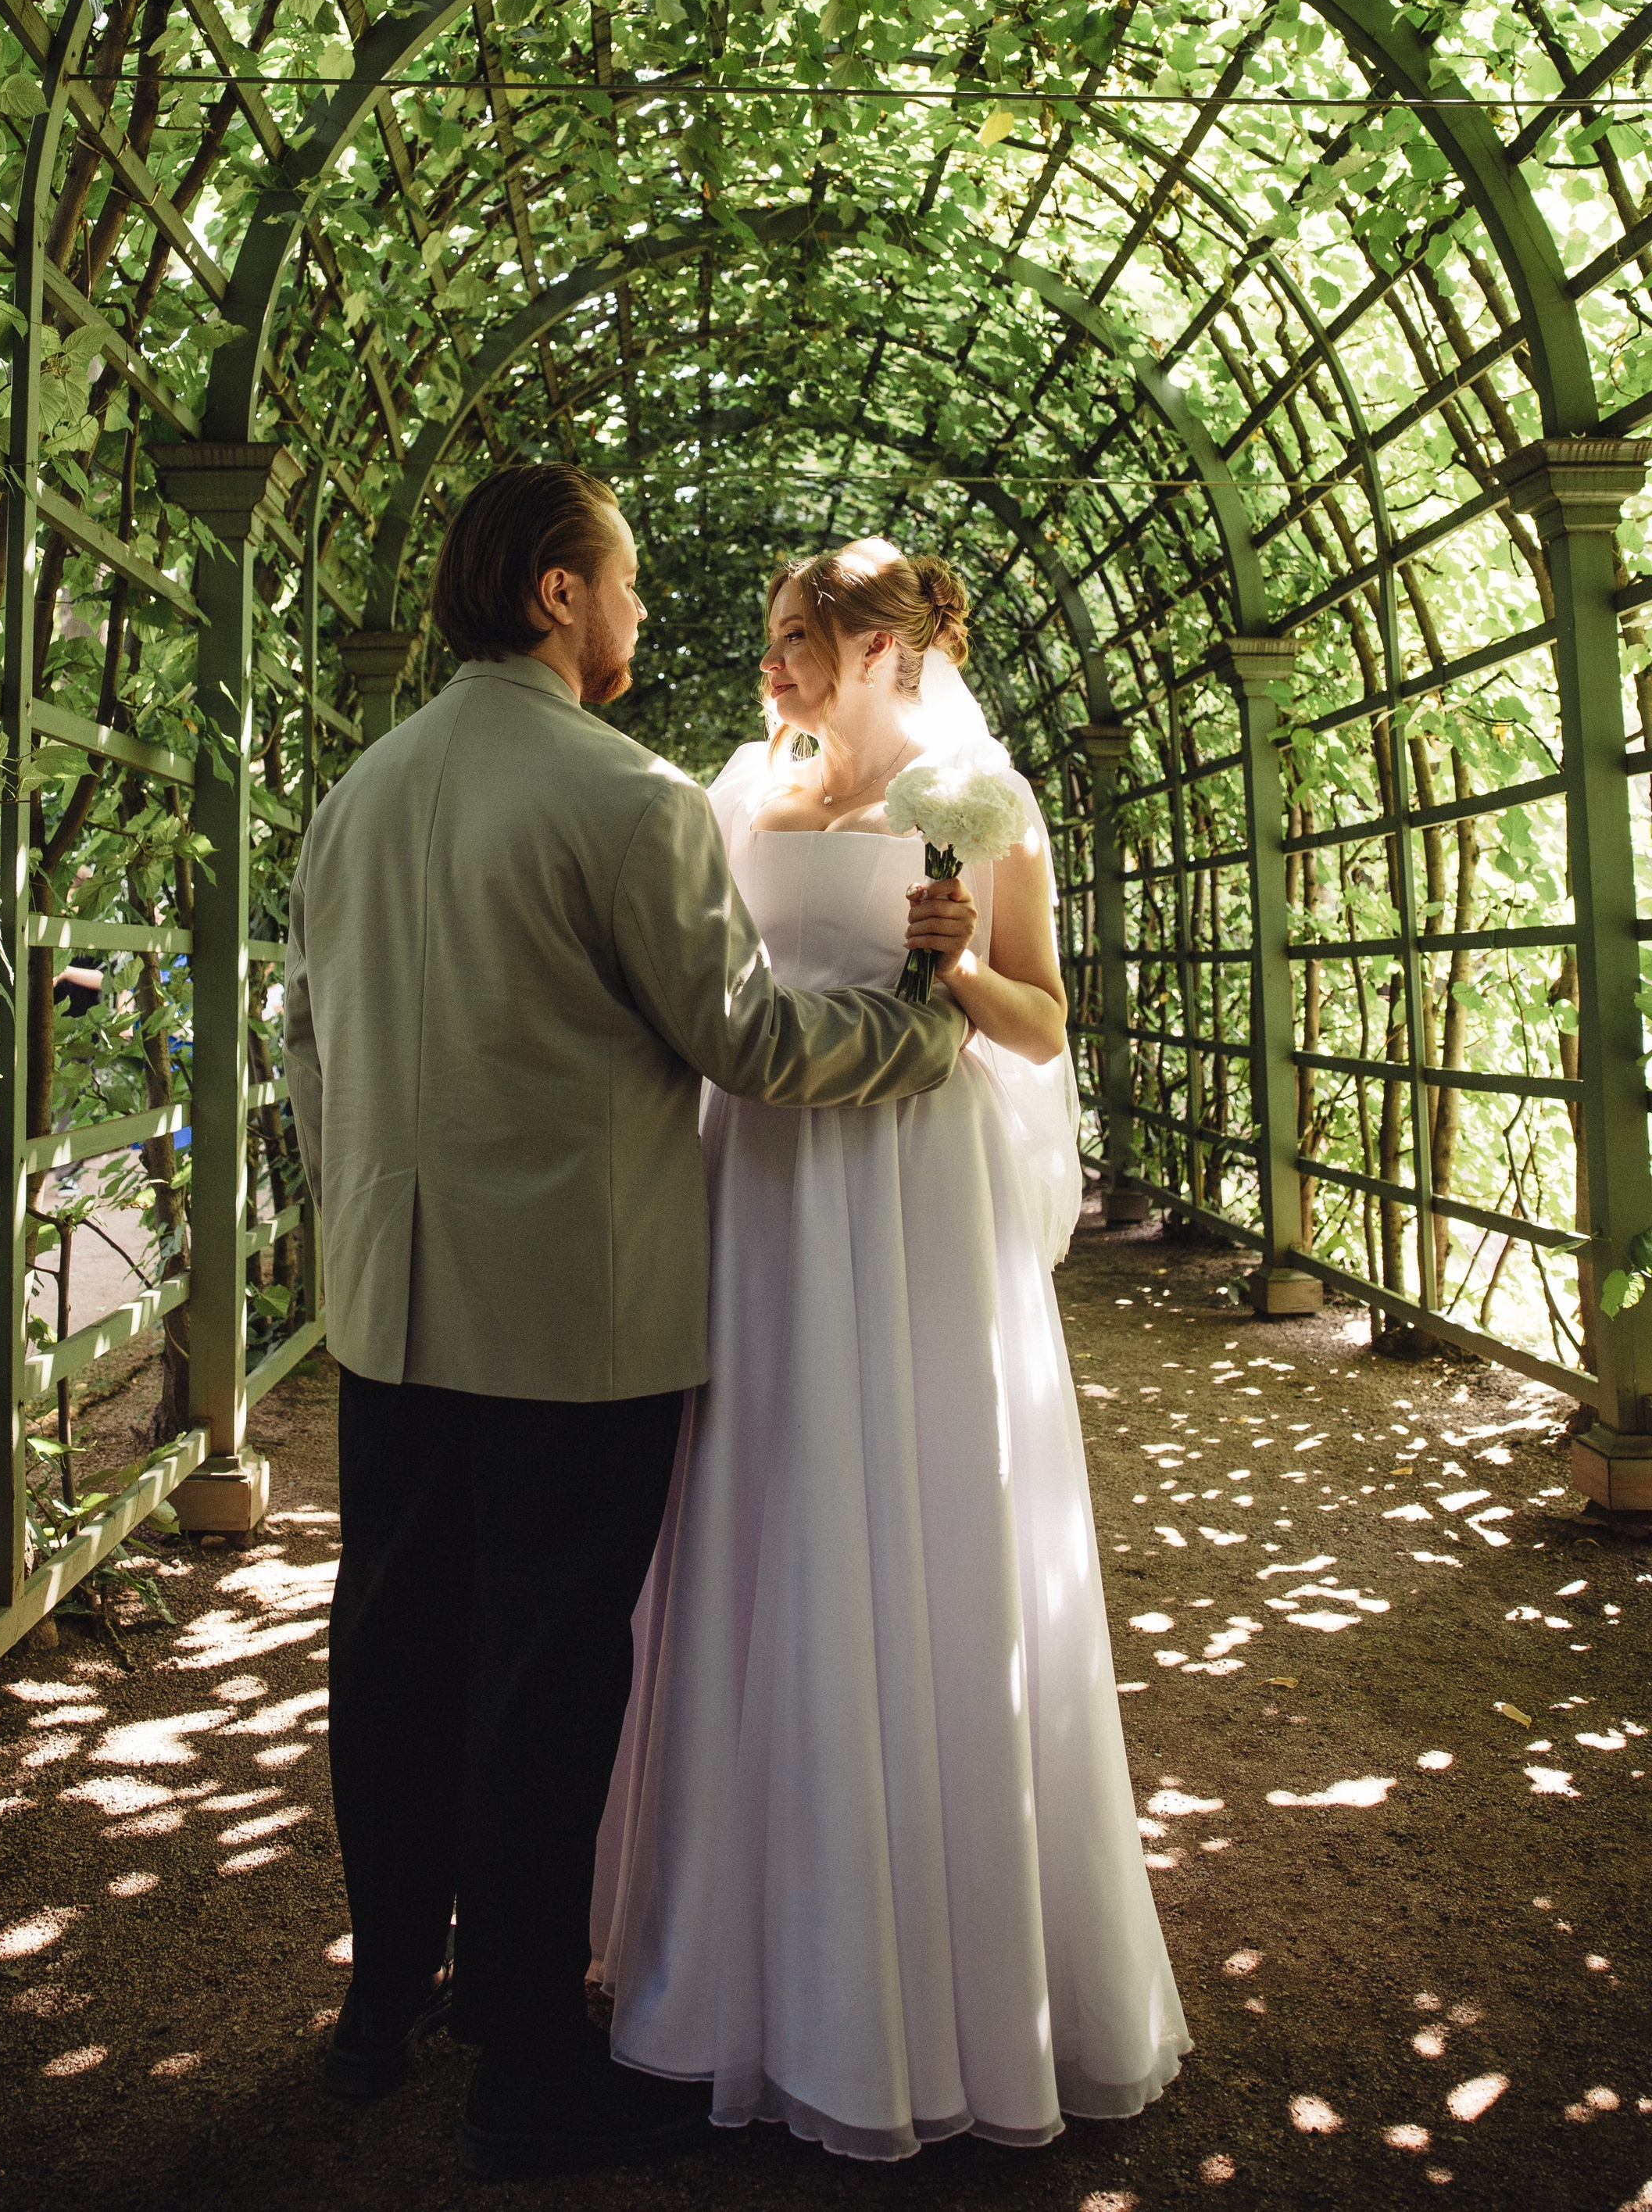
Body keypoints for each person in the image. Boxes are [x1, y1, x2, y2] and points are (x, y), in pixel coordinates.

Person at [281, 467, 972, 2180]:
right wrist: (913, 1029)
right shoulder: (629, 796)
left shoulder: (354, 797)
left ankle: (383, 2005)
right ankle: (523, 2048)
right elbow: (745, 1040)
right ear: (550, 595)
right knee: (541, 1671)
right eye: (629, 583)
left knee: (389, 1651)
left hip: (390, 1304)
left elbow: (305, 1053)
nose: (646, 615)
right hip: (574, 1324)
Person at [593, 539, 1192, 2159]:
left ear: (884, 649)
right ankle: (730, 1969)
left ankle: (947, 1992)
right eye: (778, 640)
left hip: (914, 1195)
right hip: (764, 1187)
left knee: (923, 1526)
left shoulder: (976, 803)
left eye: (798, 640)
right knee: (760, 1513)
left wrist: (958, 961)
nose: (770, 664)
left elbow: (1044, 1022)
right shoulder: (738, 791)